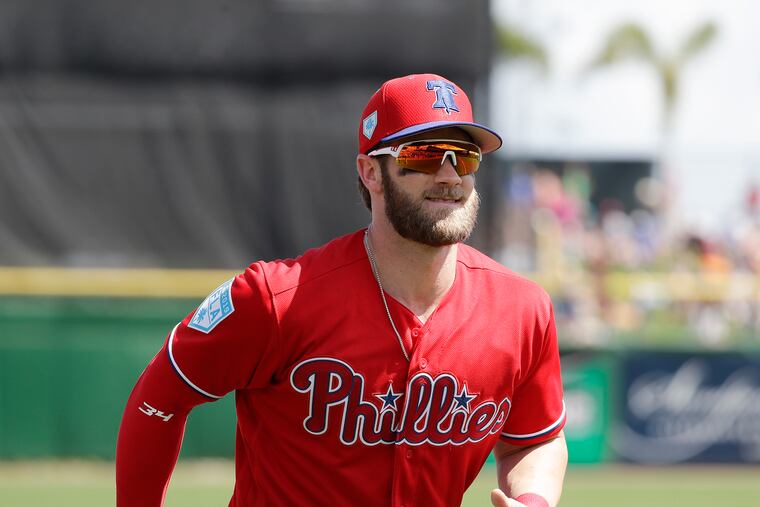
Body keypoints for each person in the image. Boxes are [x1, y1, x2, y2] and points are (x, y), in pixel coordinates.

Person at [116, 73, 567, 507]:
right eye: (424, 154)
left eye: (464, 157)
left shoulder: (521, 310)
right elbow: (159, 398)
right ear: (371, 171)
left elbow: (537, 440)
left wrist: (531, 500)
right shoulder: (276, 298)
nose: (450, 176)